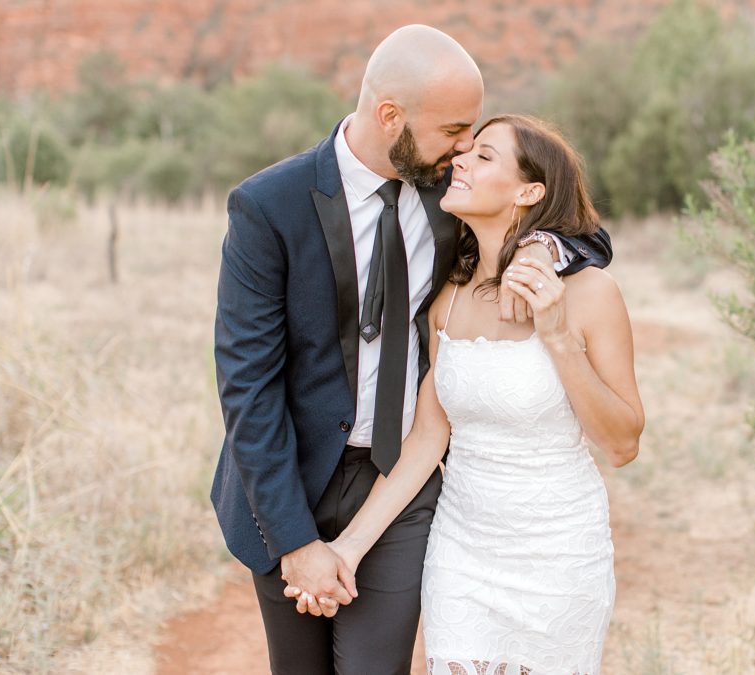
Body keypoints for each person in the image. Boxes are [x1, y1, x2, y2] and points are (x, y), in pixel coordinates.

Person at [210, 25, 613, 674]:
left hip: (401, 476)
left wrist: (543, 248)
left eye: (473, 134)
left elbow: (582, 229)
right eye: (454, 129)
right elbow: (247, 386)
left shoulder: (450, 194)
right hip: (286, 481)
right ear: (390, 116)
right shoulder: (269, 207)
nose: (464, 148)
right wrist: (294, 540)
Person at [306, 114, 644, 675]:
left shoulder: (590, 294)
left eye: (484, 156)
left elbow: (623, 443)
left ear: (529, 191)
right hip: (462, 548)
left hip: (558, 553)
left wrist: (557, 335)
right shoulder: (449, 299)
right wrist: (350, 547)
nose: (460, 160)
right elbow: (427, 437)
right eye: (466, 152)